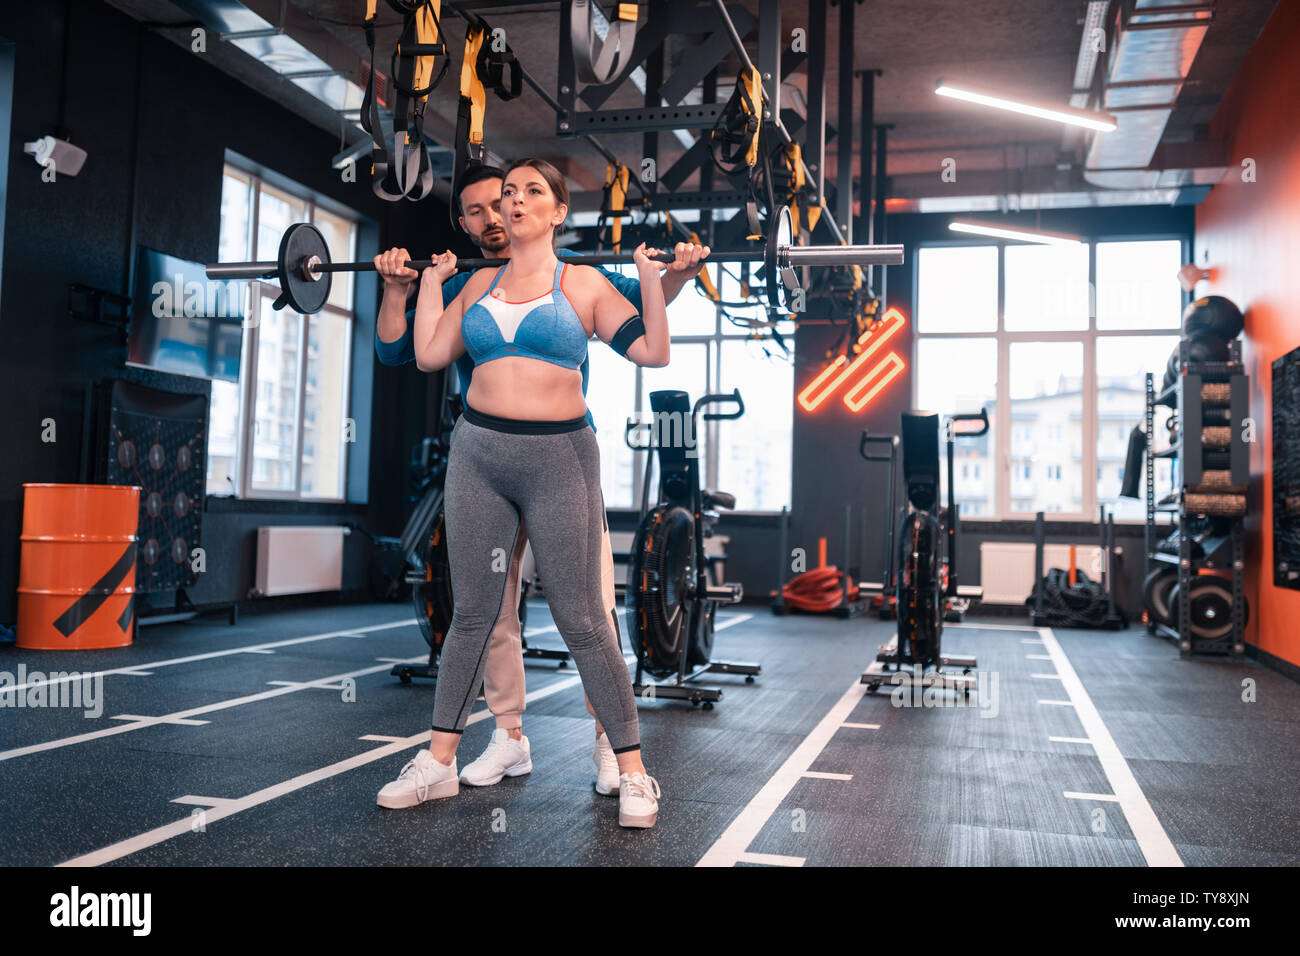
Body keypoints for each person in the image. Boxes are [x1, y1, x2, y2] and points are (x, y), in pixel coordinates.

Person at [375, 158, 700, 828]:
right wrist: (428, 283)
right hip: (478, 455)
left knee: (584, 619)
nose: (511, 203)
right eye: (505, 194)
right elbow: (428, 354)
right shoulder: (476, 282)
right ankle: (438, 761)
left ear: (557, 212)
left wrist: (657, 278)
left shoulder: (580, 280)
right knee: (473, 615)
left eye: (530, 193)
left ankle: (632, 769)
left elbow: (653, 351)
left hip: (559, 459)